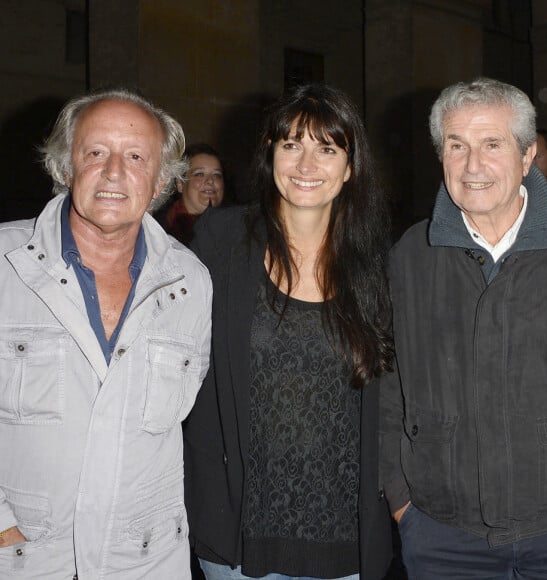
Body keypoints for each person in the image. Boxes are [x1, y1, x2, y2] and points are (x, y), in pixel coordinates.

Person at [183, 83, 394, 580]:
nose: (305, 165)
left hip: (345, 541)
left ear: (350, 167)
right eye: (291, 144)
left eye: (327, 148)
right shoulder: (220, 243)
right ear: (270, 153)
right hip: (237, 535)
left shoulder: (378, 266)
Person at [0, 88, 212, 578]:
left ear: (161, 181)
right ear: (64, 167)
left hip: (144, 563)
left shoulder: (193, 283)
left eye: (136, 157)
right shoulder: (5, 266)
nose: (114, 172)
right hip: (25, 561)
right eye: (95, 153)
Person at [380, 76, 547, 579]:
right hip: (445, 539)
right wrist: (404, 507)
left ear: (528, 154)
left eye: (492, 144)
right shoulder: (411, 256)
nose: (473, 166)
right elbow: (386, 386)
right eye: (457, 146)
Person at [154, 143, 229, 245]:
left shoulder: (237, 227)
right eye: (199, 174)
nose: (210, 181)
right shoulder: (157, 230)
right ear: (180, 184)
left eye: (217, 175)